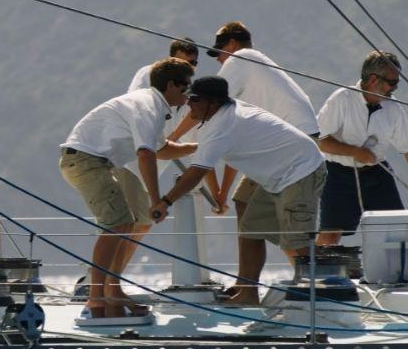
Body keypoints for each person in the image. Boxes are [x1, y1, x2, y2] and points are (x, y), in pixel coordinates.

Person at [151, 76, 326, 305]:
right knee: (250, 230)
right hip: (276, 178)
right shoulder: (222, 116)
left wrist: (165, 202)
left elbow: (196, 173)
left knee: (298, 239)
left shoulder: (223, 126)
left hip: (302, 171)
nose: (187, 104)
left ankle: (323, 297)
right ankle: (248, 293)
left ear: (212, 104)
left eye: (193, 99)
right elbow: (209, 160)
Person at [60, 57, 196, 318]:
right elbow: (145, 154)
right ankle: (96, 298)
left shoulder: (155, 105)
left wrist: (201, 148)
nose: (188, 93)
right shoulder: (148, 106)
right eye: (185, 86)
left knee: (126, 222)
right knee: (118, 223)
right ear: (171, 85)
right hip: (85, 160)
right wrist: (157, 199)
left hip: (91, 161)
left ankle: (110, 291)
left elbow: (162, 149)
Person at [197, 21, 319, 303]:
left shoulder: (242, 60)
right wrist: (223, 191)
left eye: (219, 54)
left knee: (288, 225)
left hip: (293, 148)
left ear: (231, 45)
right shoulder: (258, 71)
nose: (220, 60)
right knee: (244, 203)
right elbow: (240, 146)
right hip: (296, 143)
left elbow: (213, 108)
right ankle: (247, 286)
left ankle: (306, 290)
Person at [119, 38, 218, 278]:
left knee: (140, 225)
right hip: (131, 161)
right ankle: (100, 280)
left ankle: (110, 277)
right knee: (128, 224)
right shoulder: (149, 75)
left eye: (194, 63)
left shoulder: (188, 95)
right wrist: (167, 140)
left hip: (153, 166)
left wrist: (217, 195)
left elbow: (202, 146)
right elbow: (139, 111)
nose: (190, 68)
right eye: (184, 62)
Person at [316, 50, 408, 246]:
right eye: (392, 82)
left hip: (377, 173)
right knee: (330, 233)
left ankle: (401, 269)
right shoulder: (342, 99)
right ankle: (320, 272)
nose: (394, 88)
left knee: (396, 227)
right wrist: (355, 152)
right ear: (372, 79)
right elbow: (319, 140)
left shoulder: (393, 107)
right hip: (339, 174)